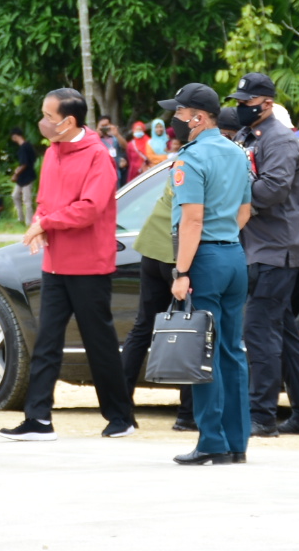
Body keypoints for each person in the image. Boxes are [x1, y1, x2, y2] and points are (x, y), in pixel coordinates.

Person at [0, 88, 134, 442]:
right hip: (56, 263)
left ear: (68, 121)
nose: (42, 122)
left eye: (48, 117)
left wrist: (47, 223)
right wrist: (40, 221)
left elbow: (90, 208)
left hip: (89, 265)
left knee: (98, 343)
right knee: (46, 340)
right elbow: (46, 200)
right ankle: (38, 419)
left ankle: (121, 416)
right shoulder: (53, 152)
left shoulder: (97, 157)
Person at [230, 72, 299, 440]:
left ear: (266, 103)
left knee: (258, 330)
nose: (240, 108)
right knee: (282, 332)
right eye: (238, 102)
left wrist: (232, 192)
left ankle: (262, 415)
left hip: (278, 248)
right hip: (260, 245)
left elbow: (271, 189)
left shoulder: (281, 141)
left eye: (246, 103)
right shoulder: (248, 136)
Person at [160, 82, 252, 465]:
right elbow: (245, 212)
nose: (175, 120)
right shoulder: (236, 153)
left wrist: (182, 271)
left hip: (205, 261)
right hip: (233, 255)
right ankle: (236, 442)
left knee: (204, 352)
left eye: (180, 113)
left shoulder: (191, 159)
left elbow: (192, 219)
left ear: (198, 118)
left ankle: (211, 441)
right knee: (232, 351)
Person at [121, 154, 196, 431]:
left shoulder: (184, 156)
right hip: (180, 252)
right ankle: (188, 415)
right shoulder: (217, 156)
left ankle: (121, 408)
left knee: (142, 327)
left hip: (153, 245)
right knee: (193, 331)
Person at [8, 129, 37, 226]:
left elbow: (24, 164)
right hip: (22, 177)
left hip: (27, 177)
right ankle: (21, 218)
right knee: (15, 195)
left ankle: (29, 221)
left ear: (15, 136)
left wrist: (16, 174)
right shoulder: (26, 147)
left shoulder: (25, 147)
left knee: (27, 200)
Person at [96, 116, 129, 186]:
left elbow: (125, 146)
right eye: (102, 126)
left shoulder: (115, 137)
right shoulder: (97, 139)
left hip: (118, 170)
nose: (105, 128)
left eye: (106, 125)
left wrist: (117, 134)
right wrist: (97, 135)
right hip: (105, 172)